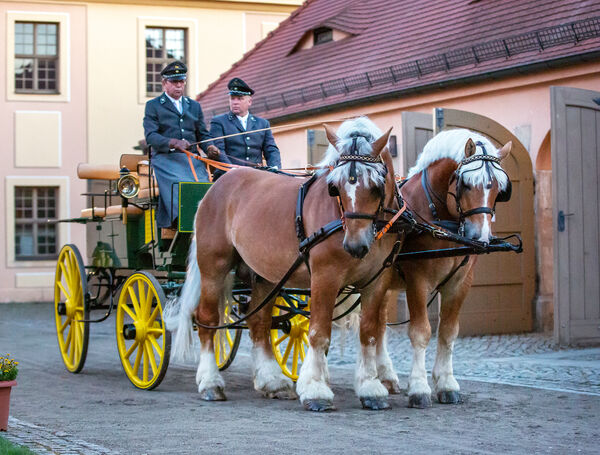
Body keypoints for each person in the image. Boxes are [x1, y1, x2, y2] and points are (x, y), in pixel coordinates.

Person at [143, 61, 223, 229]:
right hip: (166, 159)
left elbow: (203, 134)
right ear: (164, 83)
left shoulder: (194, 106)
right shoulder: (153, 106)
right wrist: (173, 142)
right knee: (182, 185)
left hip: (192, 159)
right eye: (174, 82)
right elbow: (151, 136)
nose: (179, 86)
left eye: (182, 81)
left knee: (204, 186)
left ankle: (208, 223)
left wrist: (209, 147)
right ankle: (183, 222)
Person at [210, 78, 281, 173]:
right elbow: (219, 152)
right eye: (232, 98)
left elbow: (271, 149)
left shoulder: (262, 124)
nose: (235, 102)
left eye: (240, 99)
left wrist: (275, 168)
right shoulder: (219, 122)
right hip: (227, 176)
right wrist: (231, 170)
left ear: (249, 102)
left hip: (256, 176)